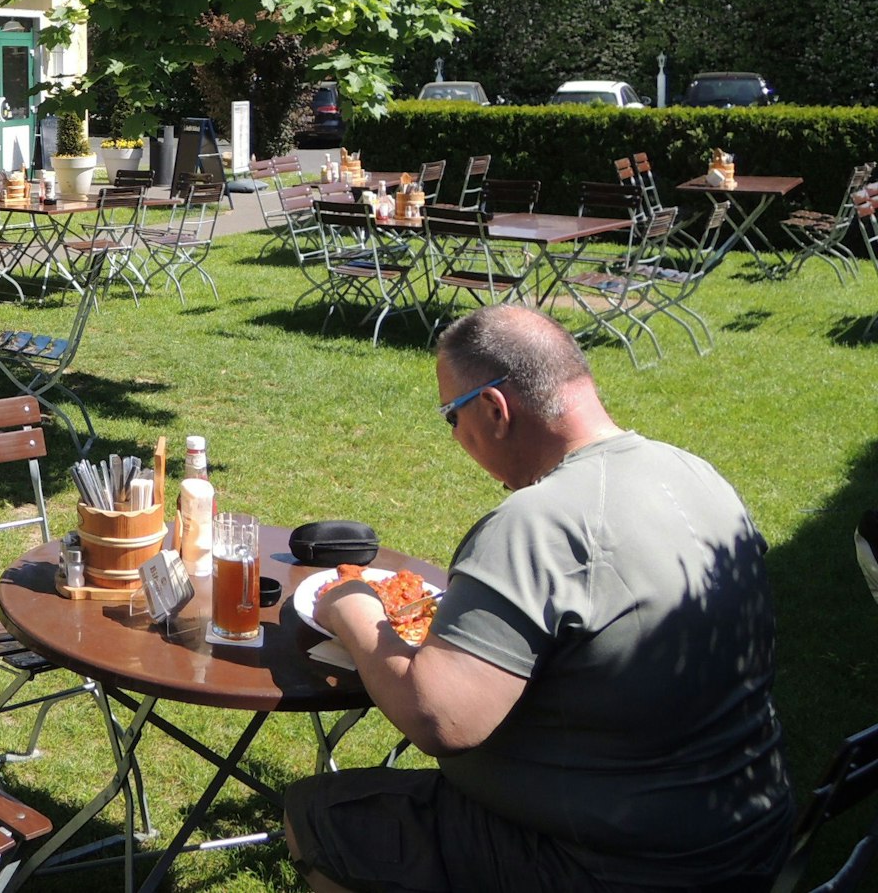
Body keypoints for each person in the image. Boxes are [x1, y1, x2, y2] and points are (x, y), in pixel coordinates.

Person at [286, 304, 791, 893]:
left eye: (451, 416)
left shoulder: (535, 524)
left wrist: (354, 610)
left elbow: (440, 718)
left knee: (317, 815)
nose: (454, 435)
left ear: (495, 410)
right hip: (746, 839)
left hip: (612, 867)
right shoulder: (698, 475)